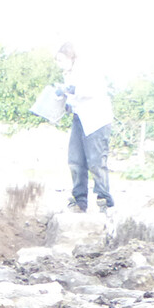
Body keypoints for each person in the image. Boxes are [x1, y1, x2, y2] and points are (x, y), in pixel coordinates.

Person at [54, 42, 114, 212]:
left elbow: (91, 91)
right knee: (75, 160)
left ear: (69, 56)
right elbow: (74, 99)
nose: (59, 64)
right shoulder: (69, 73)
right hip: (80, 118)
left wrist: (70, 89)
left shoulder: (87, 69)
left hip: (96, 119)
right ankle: (79, 200)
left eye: (60, 59)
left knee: (96, 161)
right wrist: (65, 103)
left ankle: (104, 200)